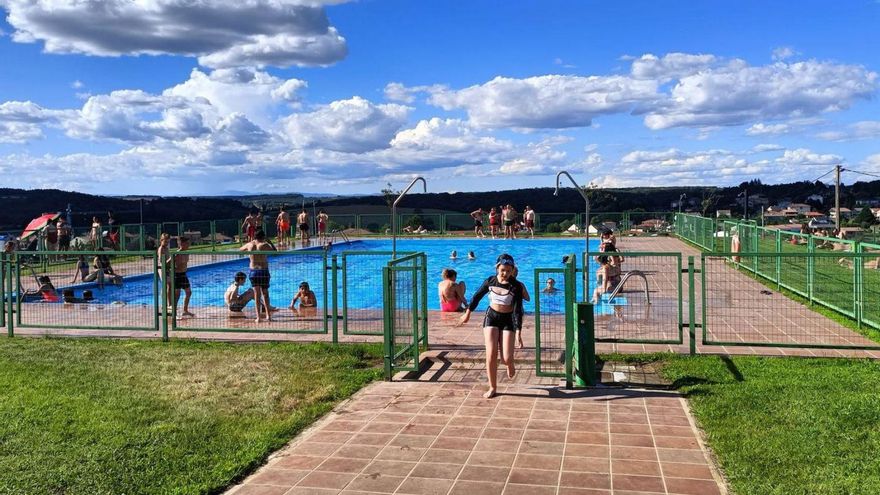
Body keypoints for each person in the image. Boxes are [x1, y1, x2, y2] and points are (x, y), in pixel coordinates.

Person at [457, 254, 525, 398]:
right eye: (502, 270)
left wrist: (518, 331)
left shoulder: (516, 286)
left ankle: (509, 363)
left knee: (506, 358)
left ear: (512, 270)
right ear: (497, 268)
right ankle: (492, 387)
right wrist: (468, 313)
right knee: (491, 353)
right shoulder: (490, 281)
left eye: (508, 270)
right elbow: (476, 297)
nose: (505, 273)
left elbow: (518, 309)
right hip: (492, 318)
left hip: (508, 320)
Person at [240, 229, 275, 323]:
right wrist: (269, 241)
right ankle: (268, 316)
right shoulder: (264, 245)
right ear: (263, 237)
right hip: (263, 271)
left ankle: (258, 317)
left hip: (253, 271)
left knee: (257, 295)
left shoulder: (250, 244)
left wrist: (250, 252)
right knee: (265, 294)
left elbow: (240, 249)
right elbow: (275, 252)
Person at [172, 237, 194, 318]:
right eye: (187, 243)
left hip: (183, 274)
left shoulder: (186, 252)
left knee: (188, 292)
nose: (189, 245)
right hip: (177, 275)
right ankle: (174, 313)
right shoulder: (177, 253)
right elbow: (168, 263)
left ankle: (185, 310)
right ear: (182, 244)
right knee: (177, 295)